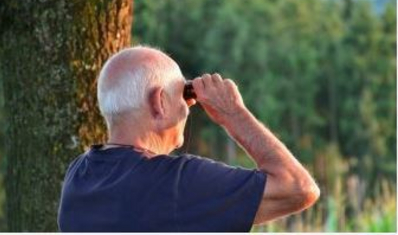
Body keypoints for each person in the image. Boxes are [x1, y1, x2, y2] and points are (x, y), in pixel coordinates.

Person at [57, 46, 320, 232]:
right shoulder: (179, 184)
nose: (187, 108)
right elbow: (298, 189)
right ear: (159, 103)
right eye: (183, 95)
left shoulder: (79, 176)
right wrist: (233, 113)